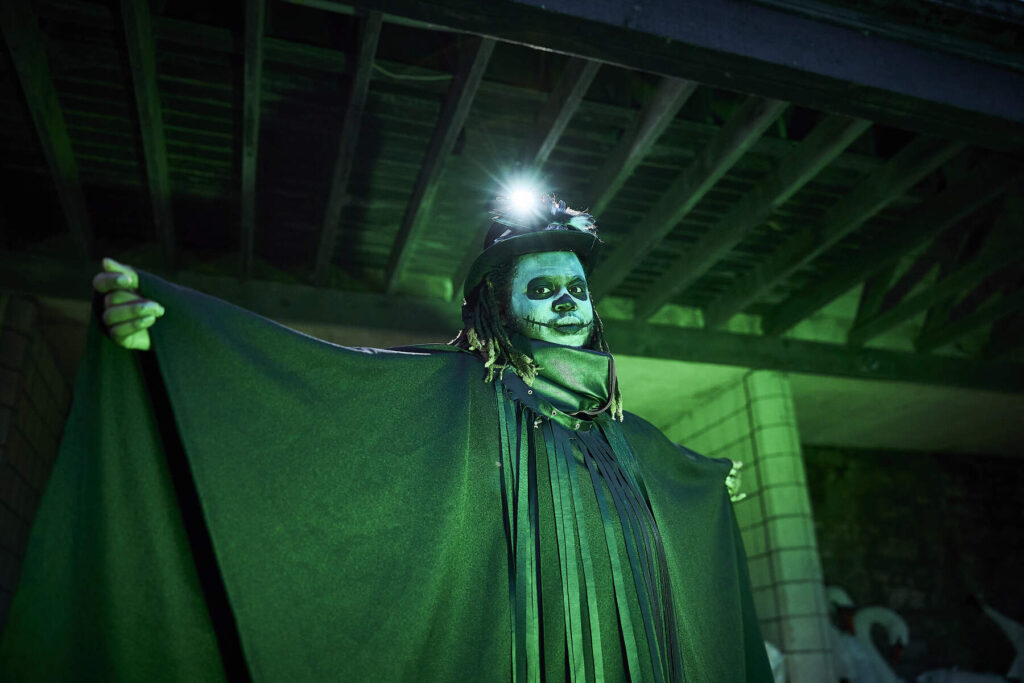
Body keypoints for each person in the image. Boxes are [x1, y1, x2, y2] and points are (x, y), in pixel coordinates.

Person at [0, 195, 772, 681]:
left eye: (576, 288)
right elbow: (316, 397)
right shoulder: (448, 400)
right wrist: (176, 344)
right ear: (501, 309)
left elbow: (680, 476)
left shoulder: (631, 439)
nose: (568, 302)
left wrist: (705, 480)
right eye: (542, 288)